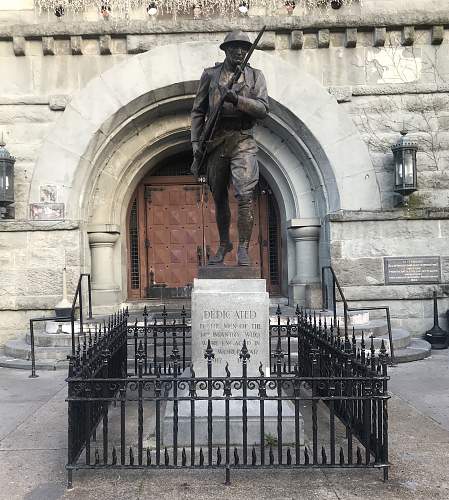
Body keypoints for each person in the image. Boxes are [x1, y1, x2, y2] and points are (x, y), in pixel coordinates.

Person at [191, 30, 269, 266]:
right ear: (225, 50)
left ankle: (243, 248)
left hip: (242, 140)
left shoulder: (255, 76)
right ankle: (225, 244)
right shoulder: (211, 75)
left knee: (245, 195)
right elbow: (198, 111)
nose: (239, 51)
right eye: (234, 47)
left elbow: (263, 109)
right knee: (220, 199)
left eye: (243, 48)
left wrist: (237, 100)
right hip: (215, 142)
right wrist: (196, 143)